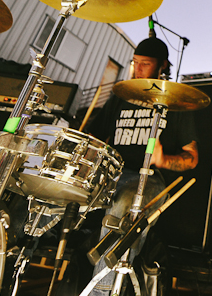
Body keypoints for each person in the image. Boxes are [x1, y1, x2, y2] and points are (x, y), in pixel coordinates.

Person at [86, 36, 198, 295]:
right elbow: (94, 137)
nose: (137, 69)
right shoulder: (121, 96)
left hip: (149, 179)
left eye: (145, 64)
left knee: (125, 207)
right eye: (135, 63)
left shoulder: (176, 101)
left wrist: (163, 160)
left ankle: (101, 292)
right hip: (111, 174)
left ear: (162, 66)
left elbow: (192, 158)